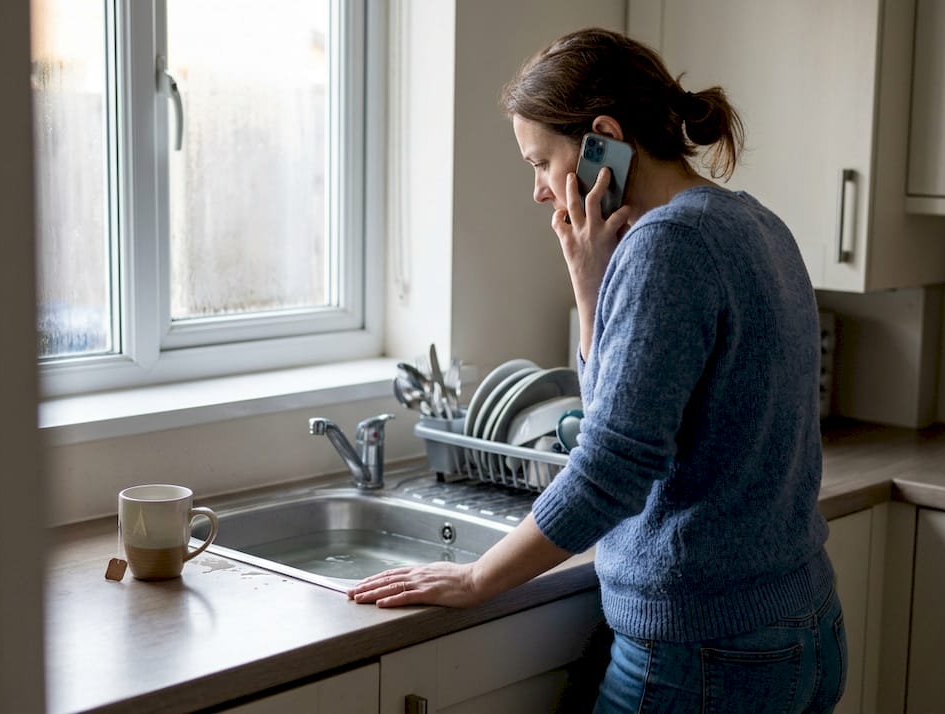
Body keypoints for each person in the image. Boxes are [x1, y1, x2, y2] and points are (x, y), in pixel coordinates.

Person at [349, 27, 845, 713]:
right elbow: (626, 411)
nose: (538, 191)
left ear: (602, 139)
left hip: (705, 652)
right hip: (806, 632)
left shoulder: (666, 247)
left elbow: (611, 467)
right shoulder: (753, 222)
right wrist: (591, 287)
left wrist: (477, 581)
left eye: (541, 162)